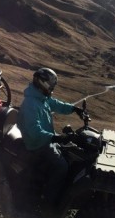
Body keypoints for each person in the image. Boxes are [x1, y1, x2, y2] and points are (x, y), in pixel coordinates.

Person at [19, 67, 84, 205]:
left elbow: (57, 105)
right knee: (62, 167)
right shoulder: (31, 103)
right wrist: (55, 138)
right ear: (43, 83)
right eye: (52, 85)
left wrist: (74, 109)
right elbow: (34, 131)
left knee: (71, 154)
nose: (53, 88)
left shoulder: (41, 98)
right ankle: (48, 203)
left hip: (46, 140)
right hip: (36, 144)